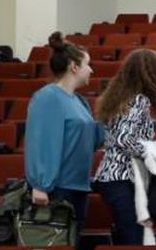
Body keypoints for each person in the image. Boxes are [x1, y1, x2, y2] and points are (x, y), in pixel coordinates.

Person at [93, 48, 156, 245]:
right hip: (124, 179)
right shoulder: (140, 100)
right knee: (133, 239)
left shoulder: (121, 100)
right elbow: (124, 139)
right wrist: (154, 152)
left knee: (130, 236)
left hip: (112, 178)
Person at [24, 38, 101, 222]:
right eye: (87, 64)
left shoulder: (79, 101)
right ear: (74, 67)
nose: (91, 70)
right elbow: (41, 141)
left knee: (72, 245)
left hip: (79, 186)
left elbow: (93, 140)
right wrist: (40, 185)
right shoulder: (48, 97)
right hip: (57, 188)